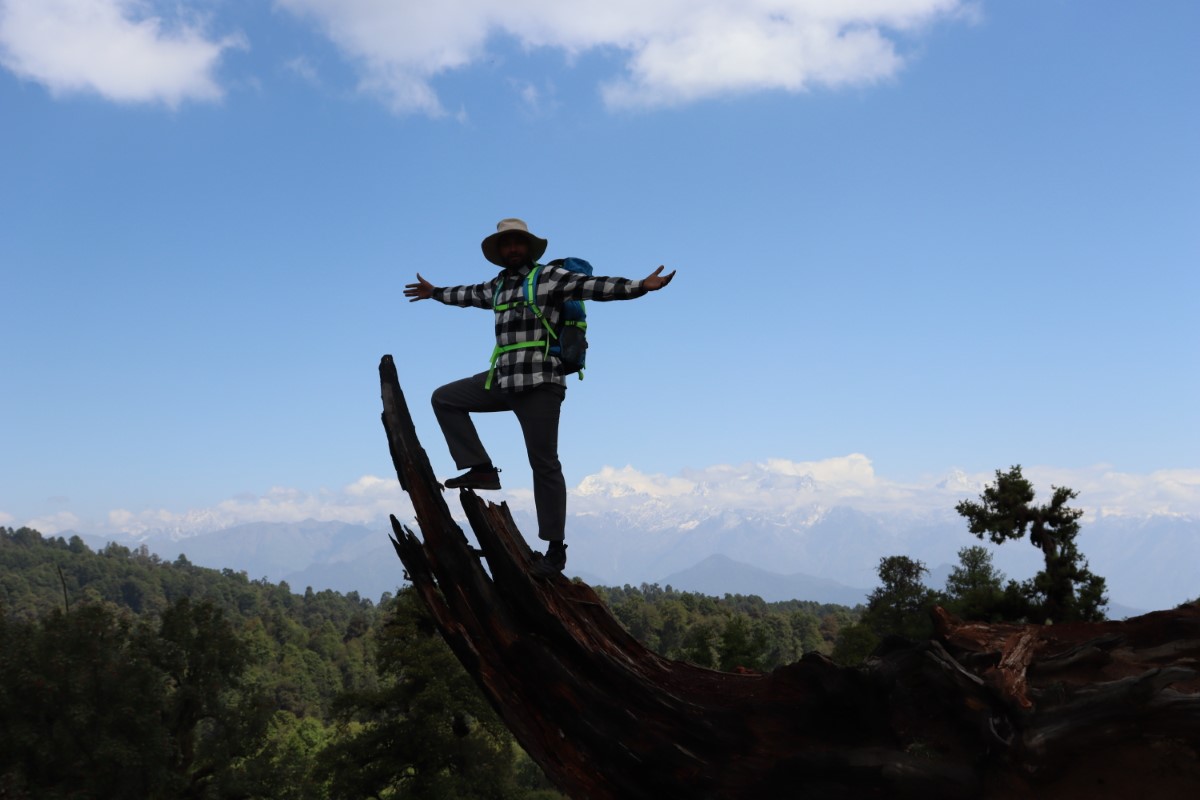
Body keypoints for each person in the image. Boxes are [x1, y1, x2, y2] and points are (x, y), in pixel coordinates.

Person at [404, 218, 675, 576]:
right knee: (445, 398)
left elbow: (593, 286)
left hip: (541, 382)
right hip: (504, 379)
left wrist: (640, 286)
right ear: (499, 252)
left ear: (528, 248)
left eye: (517, 243)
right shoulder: (496, 287)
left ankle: (555, 551)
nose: (512, 249)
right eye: (506, 244)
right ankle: (481, 469)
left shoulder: (548, 277)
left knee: (544, 463)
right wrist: (435, 292)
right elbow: (467, 295)